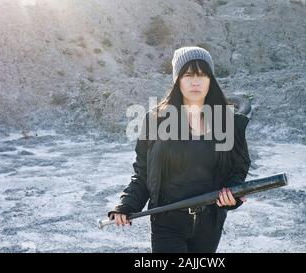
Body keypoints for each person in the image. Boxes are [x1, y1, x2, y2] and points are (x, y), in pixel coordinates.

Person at [107, 46, 251, 253]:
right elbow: (143, 173)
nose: (195, 81)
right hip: (166, 221)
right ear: (177, 80)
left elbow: (237, 170)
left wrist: (233, 195)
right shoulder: (156, 120)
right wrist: (126, 206)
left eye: (202, 75)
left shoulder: (227, 122)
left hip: (210, 222)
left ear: (211, 80)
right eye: (188, 75)